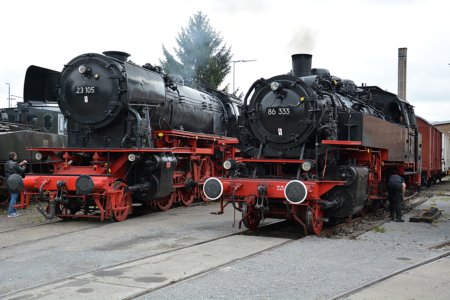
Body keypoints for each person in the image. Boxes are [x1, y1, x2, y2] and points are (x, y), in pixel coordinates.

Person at [5, 152, 27, 217]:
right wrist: (24, 164)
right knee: (14, 197)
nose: (16, 156)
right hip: (14, 182)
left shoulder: (7, 163)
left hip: (9, 181)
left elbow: (15, 167)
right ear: (14, 156)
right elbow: (22, 170)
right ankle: (10, 213)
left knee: (13, 196)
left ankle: (13, 211)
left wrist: (20, 163)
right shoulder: (14, 164)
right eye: (15, 155)